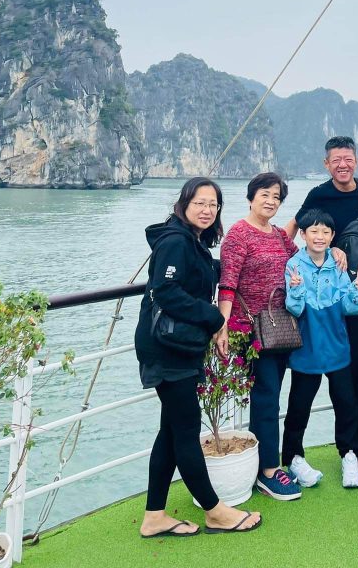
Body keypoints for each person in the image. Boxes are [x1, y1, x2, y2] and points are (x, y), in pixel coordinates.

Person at [135, 177, 261, 536]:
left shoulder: (192, 241)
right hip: (167, 349)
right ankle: (214, 510)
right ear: (184, 204)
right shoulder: (176, 241)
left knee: (170, 431)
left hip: (177, 346)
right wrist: (215, 319)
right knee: (187, 431)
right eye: (200, 203)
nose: (207, 210)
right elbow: (166, 290)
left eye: (213, 205)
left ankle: (154, 516)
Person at [284, 136, 358, 496]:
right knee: (341, 385)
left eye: (348, 158)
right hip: (341, 308)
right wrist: (286, 265)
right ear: (326, 164)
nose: (342, 165)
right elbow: (292, 230)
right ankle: (343, 450)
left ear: (356, 160)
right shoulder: (318, 195)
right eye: (335, 160)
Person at [218, 172, 302, 501]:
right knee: (266, 398)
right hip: (252, 330)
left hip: (281, 328)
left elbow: (303, 259)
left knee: (270, 397)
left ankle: (262, 464)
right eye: (265, 194)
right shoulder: (239, 234)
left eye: (276, 197)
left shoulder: (279, 235)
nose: (270, 201)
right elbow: (228, 283)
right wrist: (222, 325)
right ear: (251, 197)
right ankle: (269, 471)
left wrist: (334, 252)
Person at [281, 209, 358, 488]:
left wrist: (357, 290)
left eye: (325, 232)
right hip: (306, 346)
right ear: (303, 234)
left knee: (345, 402)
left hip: (336, 343)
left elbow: (350, 309)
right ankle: (294, 458)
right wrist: (295, 290)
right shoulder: (294, 265)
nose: (319, 237)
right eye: (313, 231)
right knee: (299, 405)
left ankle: (349, 455)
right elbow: (294, 309)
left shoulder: (337, 263)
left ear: (332, 236)